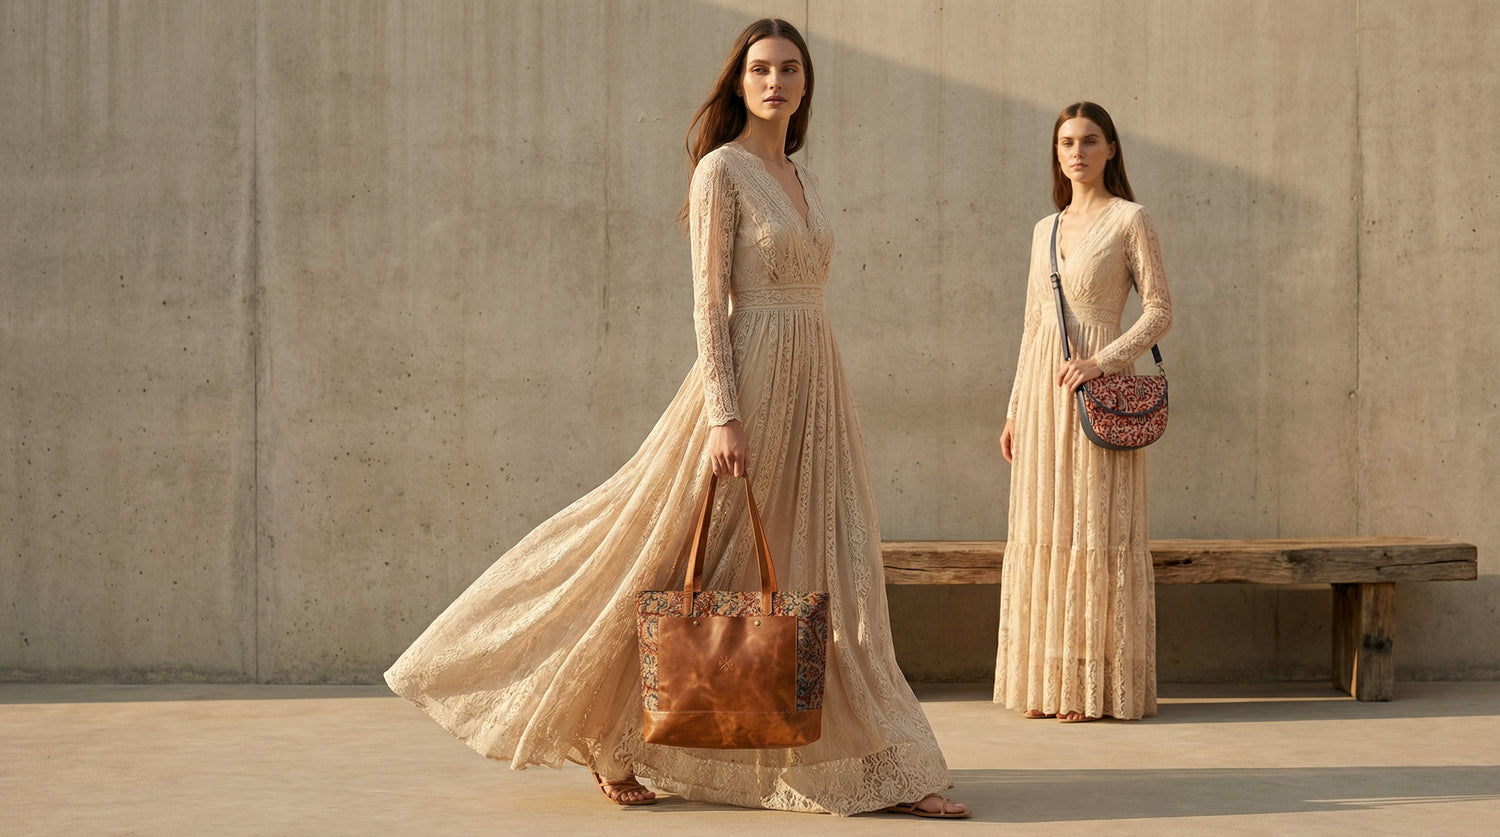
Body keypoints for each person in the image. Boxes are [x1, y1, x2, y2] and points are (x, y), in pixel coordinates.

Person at [385, 18, 968, 819]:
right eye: (760, 69)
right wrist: (725, 414)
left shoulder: (803, 174)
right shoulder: (721, 172)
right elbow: (708, 302)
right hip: (746, 379)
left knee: (828, 567)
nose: (775, 81)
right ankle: (610, 733)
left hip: (817, 384)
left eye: (790, 69)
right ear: (738, 82)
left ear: (806, 84)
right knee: (656, 551)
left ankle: (881, 763)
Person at [995, 102, 1173, 723]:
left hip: (1096, 388)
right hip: (1044, 396)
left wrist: (1106, 360)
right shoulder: (1043, 230)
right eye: (1066, 141)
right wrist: (1015, 409)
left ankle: (1095, 686)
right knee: (1048, 528)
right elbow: (1030, 328)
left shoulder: (1131, 220)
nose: (1076, 151)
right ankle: (1052, 685)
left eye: (1089, 140)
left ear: (1111, 149)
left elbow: (1158, 311)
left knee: (1096, 530)